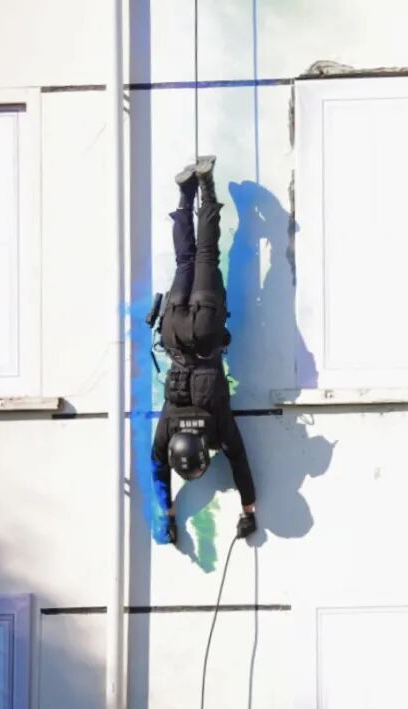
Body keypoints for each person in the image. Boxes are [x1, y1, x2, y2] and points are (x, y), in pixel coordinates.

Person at [150, 156, 257, 544]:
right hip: (174, 333)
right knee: (185, 262)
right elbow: (157, 467)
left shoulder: (218, 426)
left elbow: (240, 463)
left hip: (206, 332)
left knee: (206, 256)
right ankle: (184, 195)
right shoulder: (168, 425)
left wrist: (248, 511)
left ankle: (206, 187)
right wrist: (167, 512)